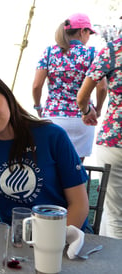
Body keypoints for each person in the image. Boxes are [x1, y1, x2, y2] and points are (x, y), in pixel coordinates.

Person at [0, 73, 90, 231]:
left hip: (66, 236)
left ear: (7, 97)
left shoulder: (52, 136)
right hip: (14, 243)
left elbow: (79, 205)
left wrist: (52, 244)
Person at [32, 13, 107, 162]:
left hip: (53, 118)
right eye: (89, 33)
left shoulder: (49, 52)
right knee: (76, 170)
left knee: (51, 167)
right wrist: (97, 109)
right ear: (82, 31)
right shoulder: (91, 53)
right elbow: (103, 87)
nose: (89, 36)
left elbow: (36, 86)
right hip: (83, 118)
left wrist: (38, 106)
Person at [77, 35, 122, 239]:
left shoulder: (114, 50)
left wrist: (88, 111)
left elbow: (82, 96)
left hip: (115, 139)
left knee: (115, 214)